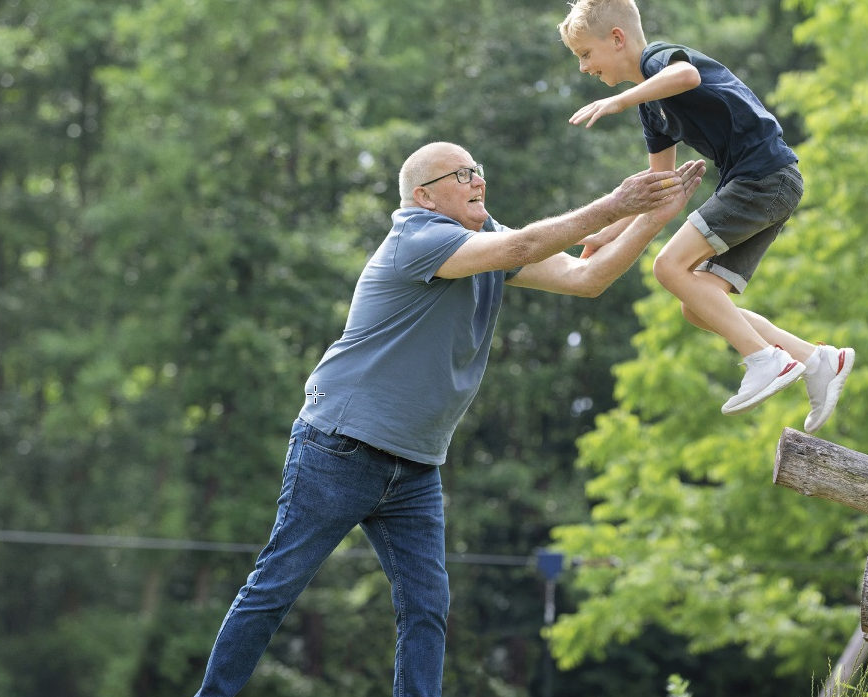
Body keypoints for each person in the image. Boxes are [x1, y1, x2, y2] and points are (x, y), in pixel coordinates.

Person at [192, 141, 704, 697]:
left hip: (414, 466)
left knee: (427, 609)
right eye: (462, 174)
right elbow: (529, 242)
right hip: (339, 446)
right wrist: (615, 203)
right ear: (424, 196)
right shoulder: (417, 238)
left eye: (478, 170)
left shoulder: (482, 244)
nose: (478, 180)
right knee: (275, 587)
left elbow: (587, 277)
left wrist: (653, 216)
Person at [558, 0, 854, 431]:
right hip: (762, 186)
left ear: (617, 39)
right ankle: (816, 360)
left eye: (585, 54)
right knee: (697, 307)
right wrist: (605, 236)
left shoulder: (658, 58)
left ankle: (765, 359)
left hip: (763, 179)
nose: (584, 68)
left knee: (668, 266)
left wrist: (621, 98)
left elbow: (688, 76)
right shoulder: (651, 110)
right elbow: (657, 190)